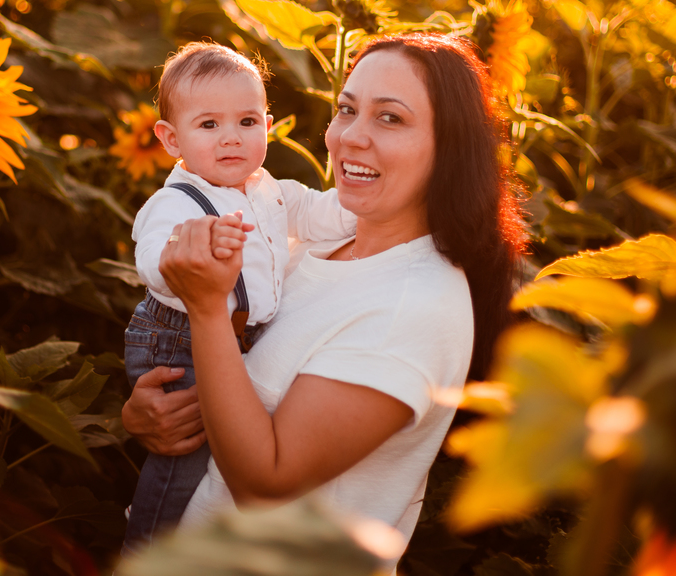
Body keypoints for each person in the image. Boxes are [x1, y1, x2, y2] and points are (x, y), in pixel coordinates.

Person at [121, 33, 526, 569]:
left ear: (448, 149)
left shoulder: (413, 309)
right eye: (347, 109)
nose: (350, 137)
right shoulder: (314, 241)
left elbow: (265, 484)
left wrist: (204, 309)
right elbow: (230, 381)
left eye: (390, 119)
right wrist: (148, 415)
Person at [122, 41, 356, 553]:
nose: (231, 139)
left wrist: (372, 205)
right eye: (209, 126)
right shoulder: (177, 201)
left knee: (225, 453)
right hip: (178, 341)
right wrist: (196, 251)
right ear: (170, 138)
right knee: (183, 458)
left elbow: (325, 214)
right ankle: (146, 550)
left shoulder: (270, 190)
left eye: (247, 122)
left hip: (238, 338)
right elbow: (155, 262)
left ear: (268, 127)